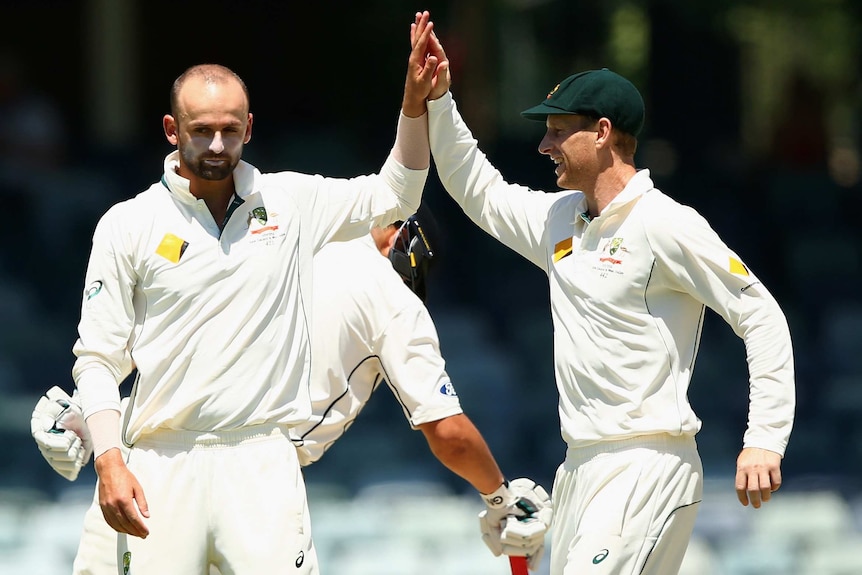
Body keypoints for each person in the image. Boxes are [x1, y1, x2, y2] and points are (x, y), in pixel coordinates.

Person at [406, 10, 796, 575]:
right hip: (581, 468)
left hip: (649, 463)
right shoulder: (559, 219)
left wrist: (764, 437)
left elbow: (760, 315)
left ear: (605, 133)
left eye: (559, 131)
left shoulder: (666, 223)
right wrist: (441, 99)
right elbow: (477, 189)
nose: (544, 145)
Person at [61, 18, 442, 574]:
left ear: (250, 128)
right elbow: (96, 358)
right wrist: (109, 462)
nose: (217, 145)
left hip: (262, 462)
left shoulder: (290, 201)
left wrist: (414, 105)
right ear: (171, 129)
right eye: (201, 130)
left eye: (230, 130)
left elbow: (396, 192)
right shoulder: (128, 223)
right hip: (162, 462)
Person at [32, 210, 553, 574]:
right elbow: (446, 430)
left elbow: (167, 336)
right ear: (406, 242)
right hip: (250, 477)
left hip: (139, 466)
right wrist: (501, 498)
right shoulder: (395, 299)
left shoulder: (277, 239)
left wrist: (92, 415)